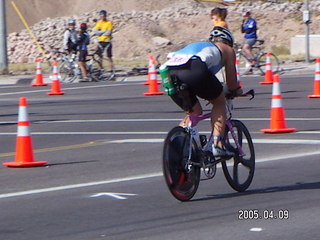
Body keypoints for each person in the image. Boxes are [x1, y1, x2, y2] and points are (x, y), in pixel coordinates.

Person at [162, 26, 243, 158]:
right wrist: (236, 91)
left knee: (194, 112)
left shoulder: (203, 47)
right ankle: (217, 145)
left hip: (168, 72)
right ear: (229, 41)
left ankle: (180, 149)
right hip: (193, 69)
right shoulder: (227, 49)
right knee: (219, 102)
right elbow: (232, 83)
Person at [92, 10, 114, 76]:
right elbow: (95, 31)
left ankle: (111, 69)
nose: (102, 17)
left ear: (105, 16)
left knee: (109, 56)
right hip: (100, 41)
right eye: (101, 16)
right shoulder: (99, 23)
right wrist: (103, 32)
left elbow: (109, 32)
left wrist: (100, 32)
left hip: (107, 41)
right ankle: (101, 68)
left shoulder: (109, 23)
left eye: (103, 16)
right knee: (99, 55)